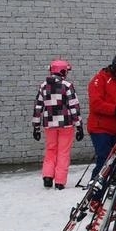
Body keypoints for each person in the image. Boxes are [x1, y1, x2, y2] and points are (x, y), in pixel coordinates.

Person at [32, 59, 83, 189]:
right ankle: (60, 181)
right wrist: (79, 126)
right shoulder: (67, 85)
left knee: (51, 150)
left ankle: (47, 176)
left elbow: (38, 107)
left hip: (49, 124)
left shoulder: (43, 86)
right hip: (66, 124)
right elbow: (73, 107)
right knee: (63, 152)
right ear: (62, 71)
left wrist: (36, 127)